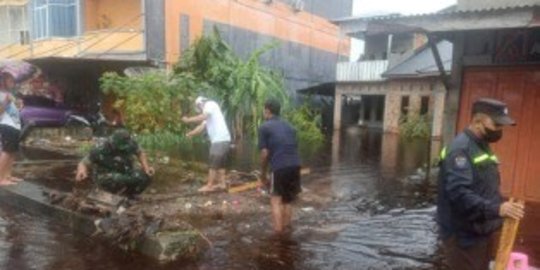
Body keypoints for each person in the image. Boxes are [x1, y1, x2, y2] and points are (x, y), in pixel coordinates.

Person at [437, 98, 525, 270]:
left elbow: (484, 187)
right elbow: (459, 194)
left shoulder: (481, 145)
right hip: (463, 236)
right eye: (496, 124)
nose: (500, 130)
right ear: (478, 121)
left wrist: (504, 208)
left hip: (481, 230)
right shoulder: (461, 150)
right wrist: (498, 209)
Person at [258, 99, 301, 234]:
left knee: (275, 200)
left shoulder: (264, 127)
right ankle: (287, 230)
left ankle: (278, 235)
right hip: (295, 165)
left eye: (264, 110)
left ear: (267, 110)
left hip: (279, 167)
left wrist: (263, 174)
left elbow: (265, 154)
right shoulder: (290, 127)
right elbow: (293, 147)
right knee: (287, 201)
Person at [75, 129, 154, 196]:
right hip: (106, 175)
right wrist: (82, 171)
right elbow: (83, 163)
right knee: (118, 179)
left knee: (145, 177)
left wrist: (146, 168)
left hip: (125, 171)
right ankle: (109, 194)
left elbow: (140, 152)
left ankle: (130, 195)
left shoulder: (130, 143)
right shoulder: (100, 148)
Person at [182, 96, 232, 192]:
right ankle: (222, 184)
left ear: (200, 103)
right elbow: (201, 127)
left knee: (213, 162)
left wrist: (188, 120)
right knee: (220, 164)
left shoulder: (209, 104)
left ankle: (209, 185)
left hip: (220, 140)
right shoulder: (209, 112)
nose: (200, 110)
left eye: (199, 108)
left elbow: (203, 116)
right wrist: (190, 134)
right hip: (223, 139)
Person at [0, 85, 22, 186]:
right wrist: (6, 101)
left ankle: (7, 175)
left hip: (15, 125)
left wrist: (19, 105)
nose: (11, 82)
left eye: (12, 80)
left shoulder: (10, 94)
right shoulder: (2, 94)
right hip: (7, 125)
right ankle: (0, 178)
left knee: (12, 152)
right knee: (7, 151)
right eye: (8, 79)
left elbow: (15, 110)